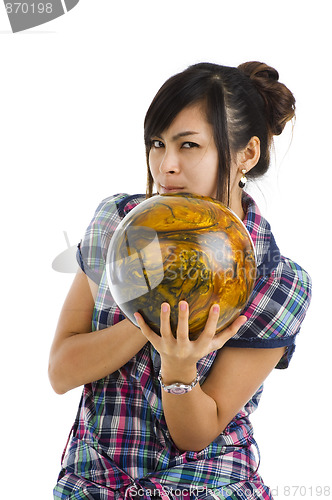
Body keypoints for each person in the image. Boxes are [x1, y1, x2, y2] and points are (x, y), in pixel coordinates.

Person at [49, 62, 312, 500]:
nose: (165, 166)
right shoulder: (116, 225)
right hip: (95, 485)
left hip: (209, 488)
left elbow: (196, 433)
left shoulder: (278, 281)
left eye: (189, 145)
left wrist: (178, 366)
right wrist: (144, 317)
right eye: (157, 144)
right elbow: (61, 371)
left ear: (247, 153)